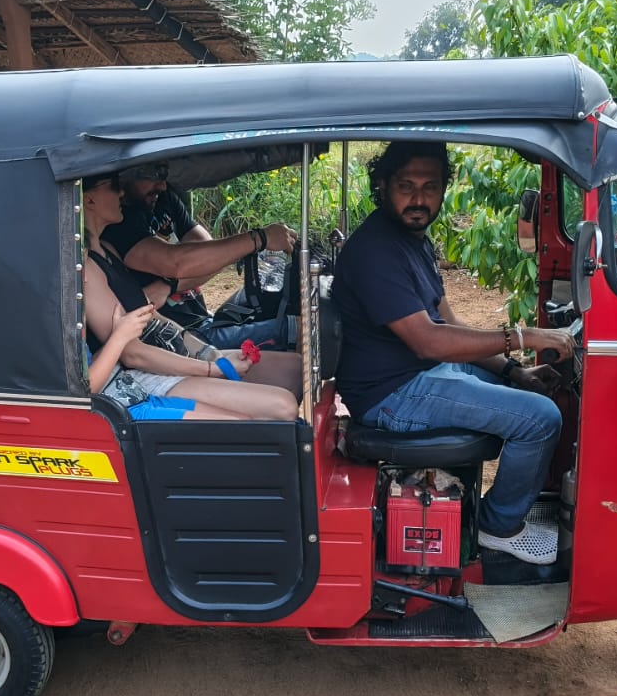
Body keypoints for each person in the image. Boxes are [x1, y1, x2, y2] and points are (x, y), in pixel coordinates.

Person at [331, 142, 577, 565]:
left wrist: (514, 372)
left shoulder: (413, 241)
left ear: (445, 189)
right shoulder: (376, 251)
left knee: (533, 396)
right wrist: (521, 336)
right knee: (541, 419)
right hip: (392, 394)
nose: (418, 198)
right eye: (406, 186)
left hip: (419, 373)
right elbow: (430, 341)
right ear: (383, 186)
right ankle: (497, 528)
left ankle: (484, 511)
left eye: (430, 186)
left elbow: (449, 326)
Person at [81, 171, 301, 420]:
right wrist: (210, 368)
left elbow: (155, 319)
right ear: (88, 200)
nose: (121, 192)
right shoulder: (86, 267)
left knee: (293, 371)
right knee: (279, 408)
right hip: (146, 370)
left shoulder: (108, 250)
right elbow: (132, 352)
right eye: (113, 186)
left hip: (165, 352)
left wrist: (209, 354)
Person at [99, 162, 298, 350]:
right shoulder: (118, 225)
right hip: (178, 336)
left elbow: (210, 254)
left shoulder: (163, 199)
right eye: (153, 176)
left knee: (275, 301)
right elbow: (177, 262)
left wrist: (168, 286)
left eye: (163, 174)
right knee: (295, 328)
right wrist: (259, 239)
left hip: (203, 319)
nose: (162, 185)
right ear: (125, 177)